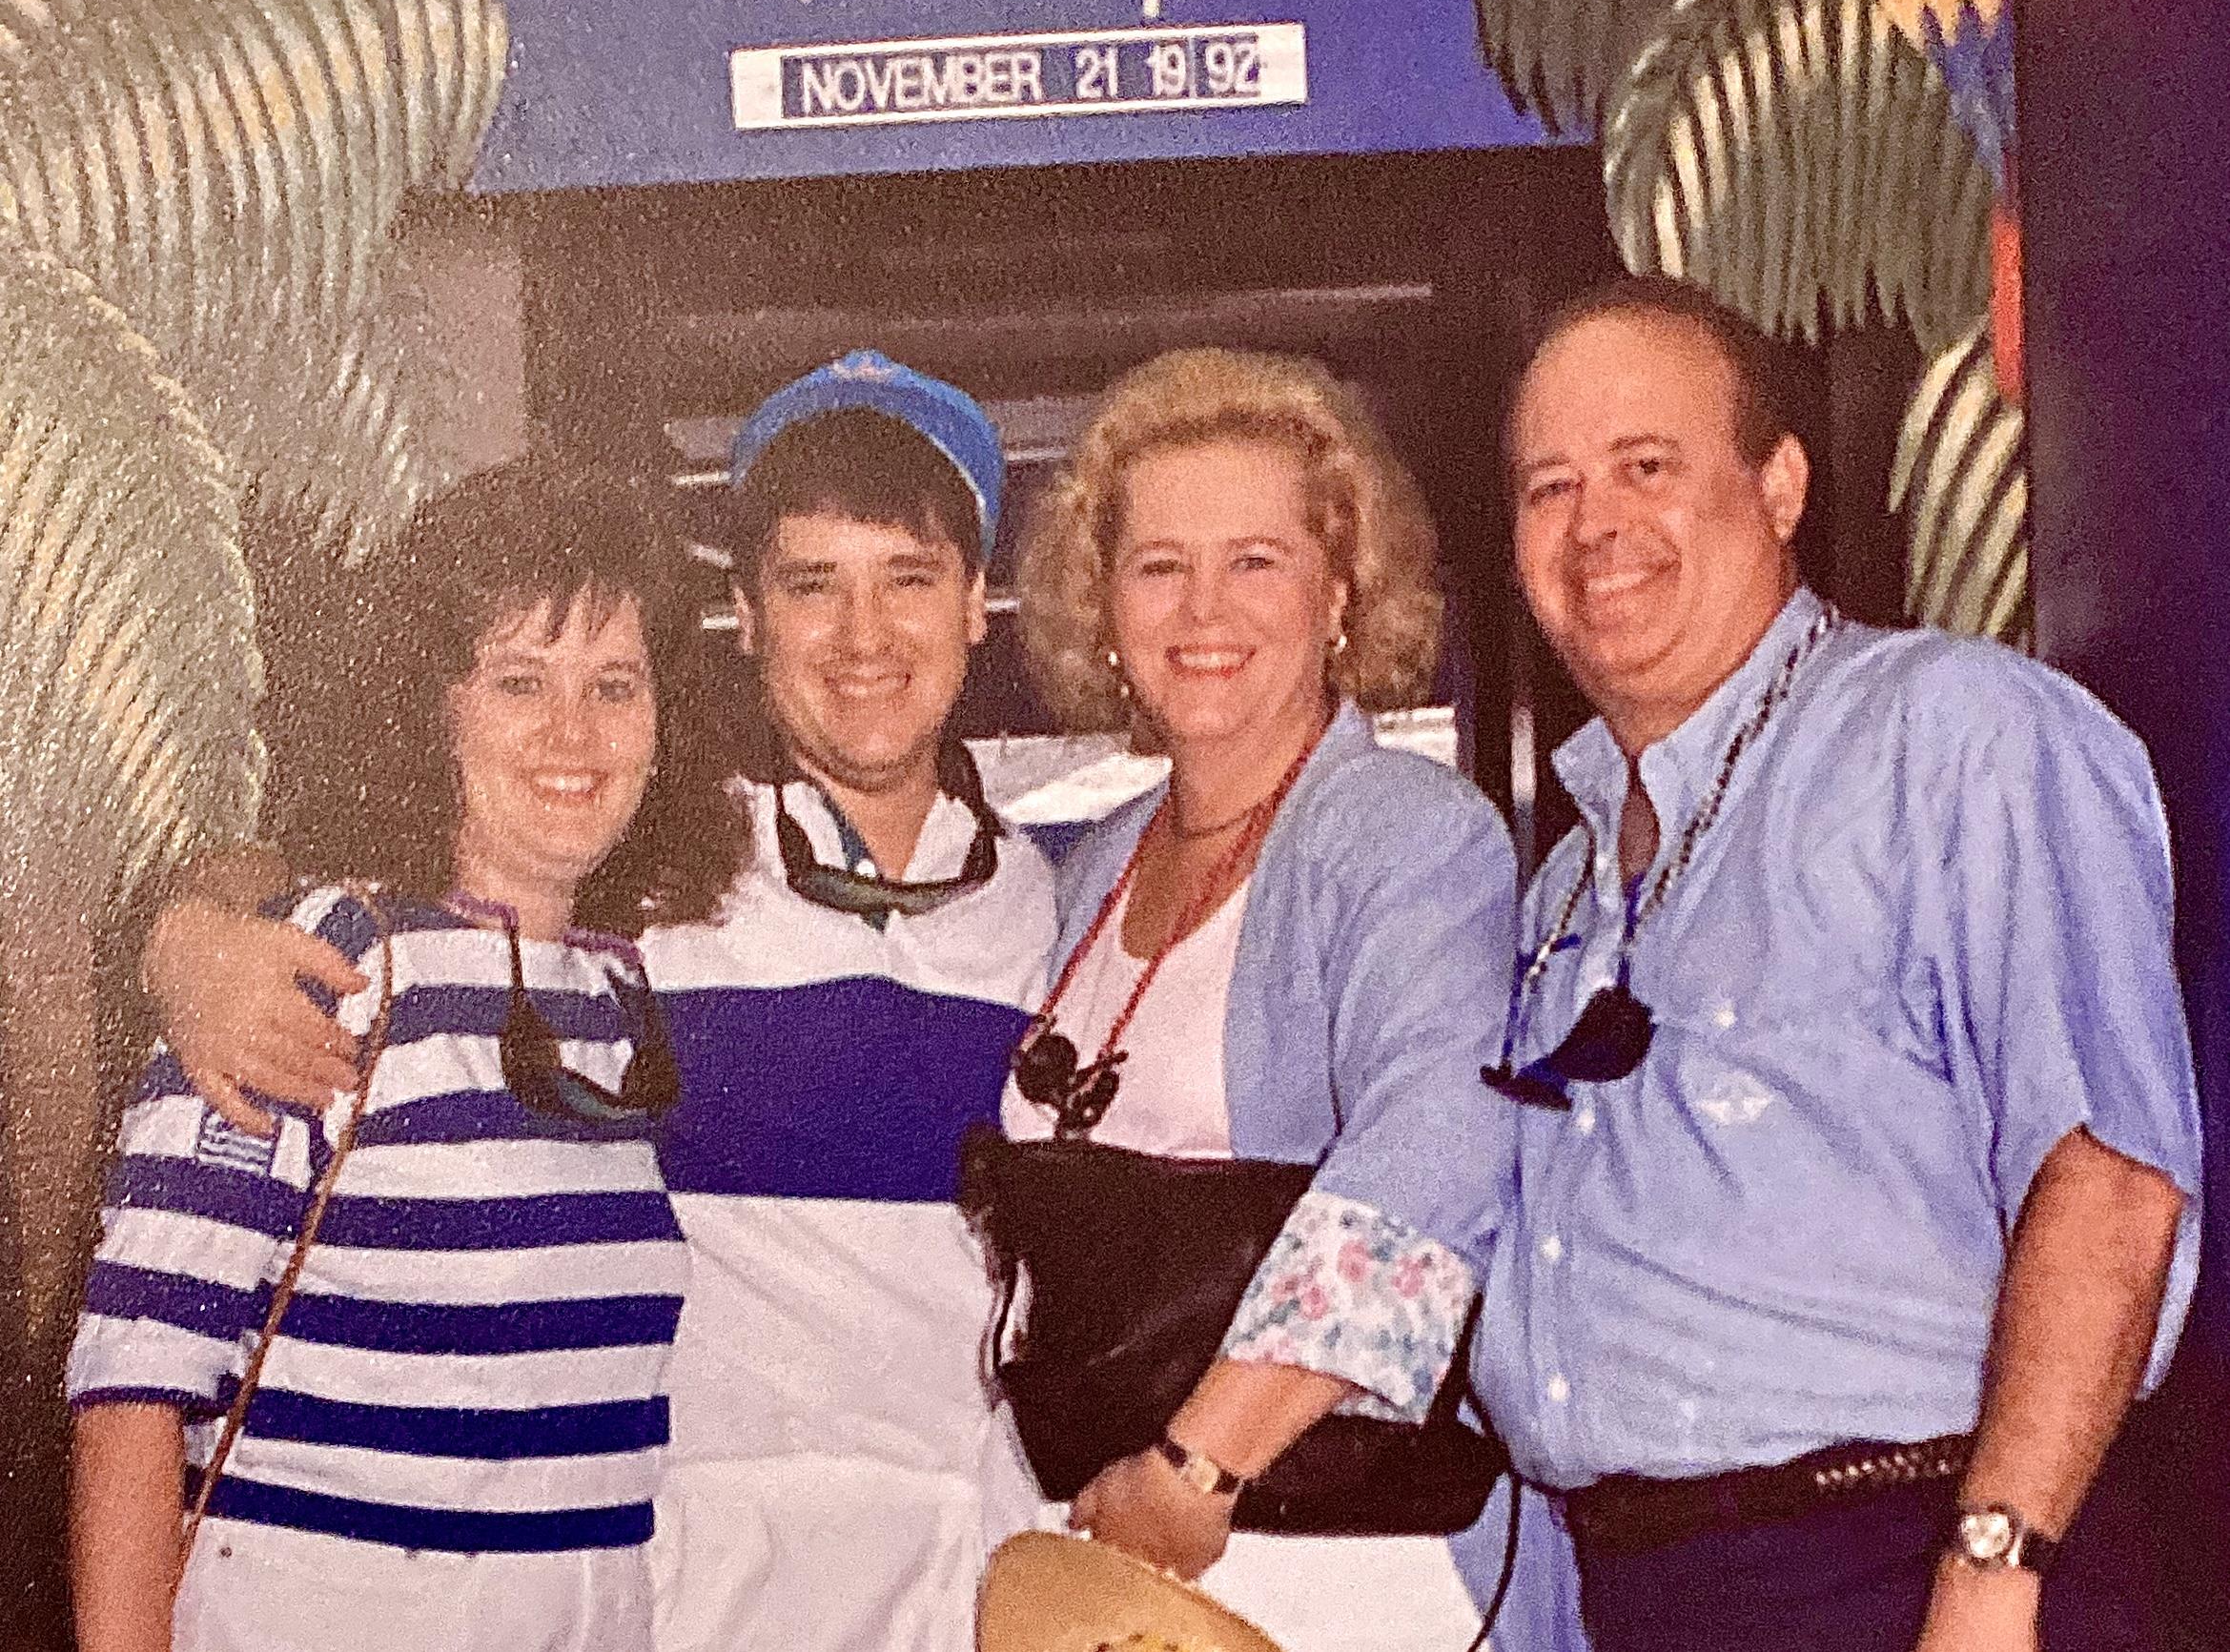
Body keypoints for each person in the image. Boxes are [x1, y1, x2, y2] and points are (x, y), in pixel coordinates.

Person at [133, 354, 1059, 1652]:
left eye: (908, 579)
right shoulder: (652, 874)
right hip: (696, 1594)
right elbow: (347, 861)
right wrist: (189, 933)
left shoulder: (1071, 901)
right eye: (810, 585)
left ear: (978, 602)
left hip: (974, 1577)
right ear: (743, 613)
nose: (862, 638)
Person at [1477, 276, 2202, 1652]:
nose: (1594, 526)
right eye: (1547, 484)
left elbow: (2109, 1180)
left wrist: (1991, 1575)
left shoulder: (1954, 735)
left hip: (1920, 1569)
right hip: (1642, 1595)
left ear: (1779, 483)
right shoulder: (1566, 880)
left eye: (1646, 464)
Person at [68, 459, 743, 1652]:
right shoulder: (322, 962)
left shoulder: (620, 991)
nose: (572, 733)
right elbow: (134, 1389)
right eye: (518, 681)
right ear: (433, 705)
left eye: (614, 685)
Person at [995, 347, 1519, 1652]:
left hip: (1327, 1555)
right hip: (1121, 1557)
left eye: (1256, 559)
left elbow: (1434, 1156)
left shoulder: (1407, 833)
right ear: (1101, 603)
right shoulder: (1090, 861)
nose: (1200, 608)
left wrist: (1197, 1463)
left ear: (1339, 592)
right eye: (1156, 564)